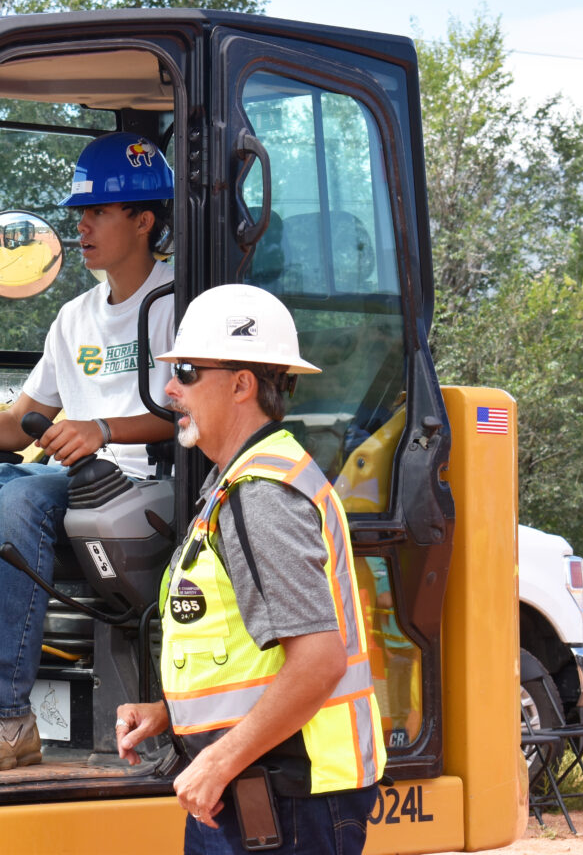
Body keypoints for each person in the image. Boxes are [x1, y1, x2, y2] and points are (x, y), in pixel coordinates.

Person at [0, 131, 178, 772]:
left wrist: (103, 430)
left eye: (96, 213)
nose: (81, 228)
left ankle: (7, 719)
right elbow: (17, 423)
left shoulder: (180, 302)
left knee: (22, 495)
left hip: (142, 484)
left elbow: (192, 413)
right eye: (79, 214)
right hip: (74, 480)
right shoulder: (75, 317)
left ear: (143, 220)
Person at [115, 284, 385, 855]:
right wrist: (172, 714)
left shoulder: (261, 492)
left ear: (241, 384)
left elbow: (317, 662)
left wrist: (218, 758)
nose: (170, 389)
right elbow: (249, 655)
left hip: (285, 803)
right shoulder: (237, 483)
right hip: (254, 794)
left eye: (187, 371)